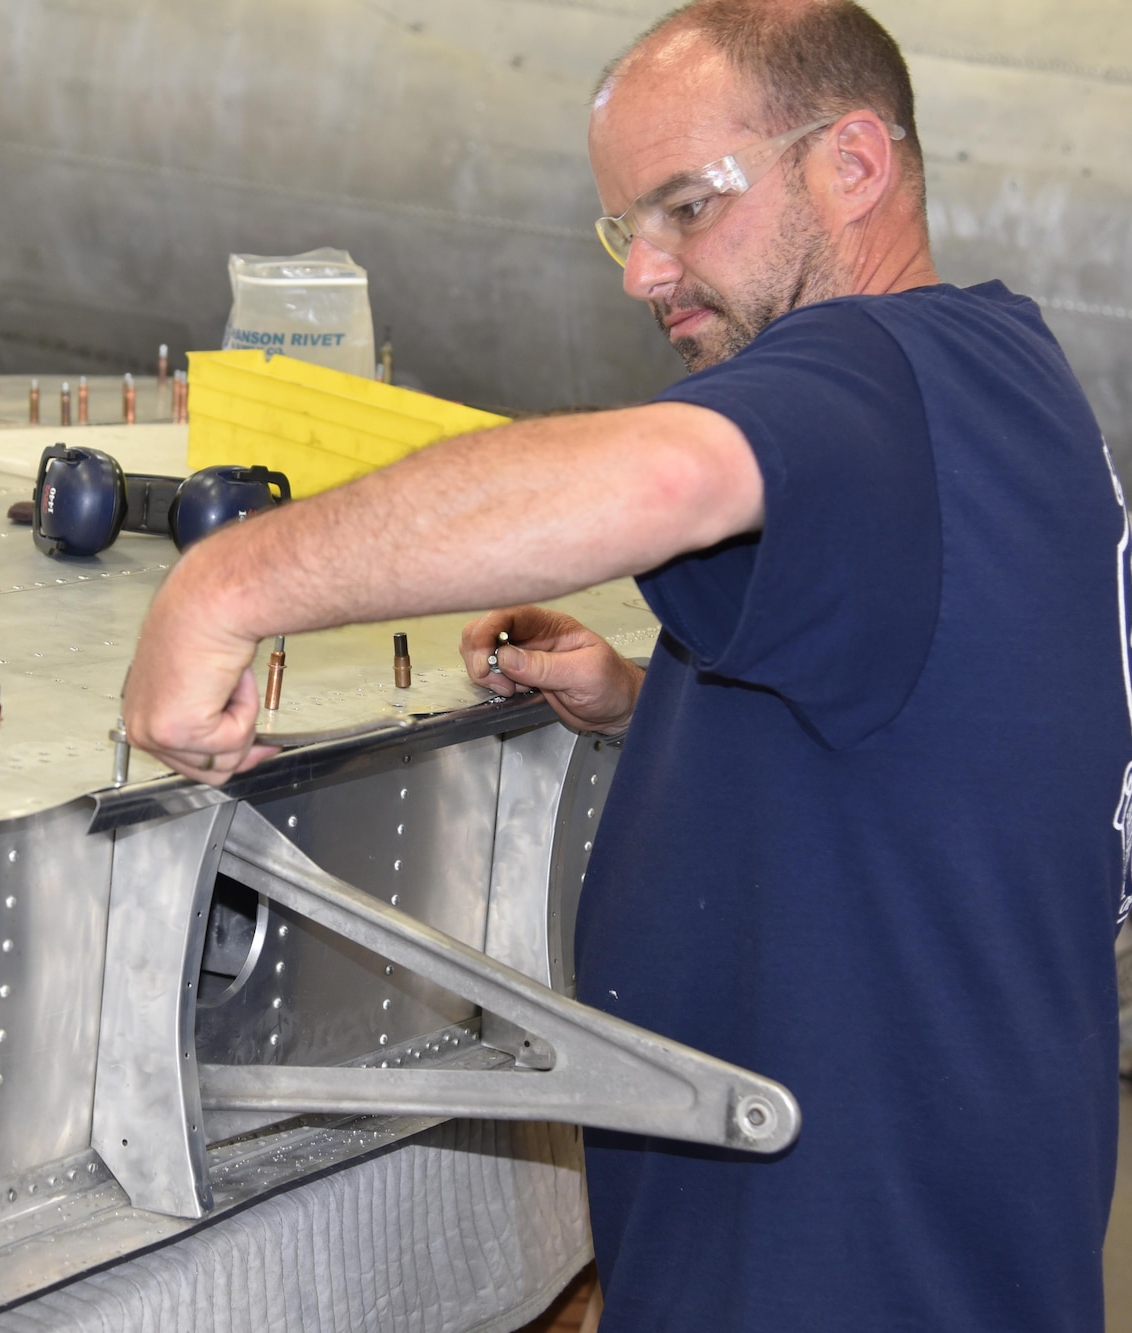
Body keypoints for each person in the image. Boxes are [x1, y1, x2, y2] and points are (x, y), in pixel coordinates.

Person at [120, 1, 1128, 1328]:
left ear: (856, 166)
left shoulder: (865, 373)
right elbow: (956, 731)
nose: (644, 275)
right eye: (624, 229)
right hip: (917, 1234)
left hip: (841, 1271)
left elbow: (653, 468)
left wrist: (223, 586)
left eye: (687, 210)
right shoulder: (993, 373)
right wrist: (646, 706)